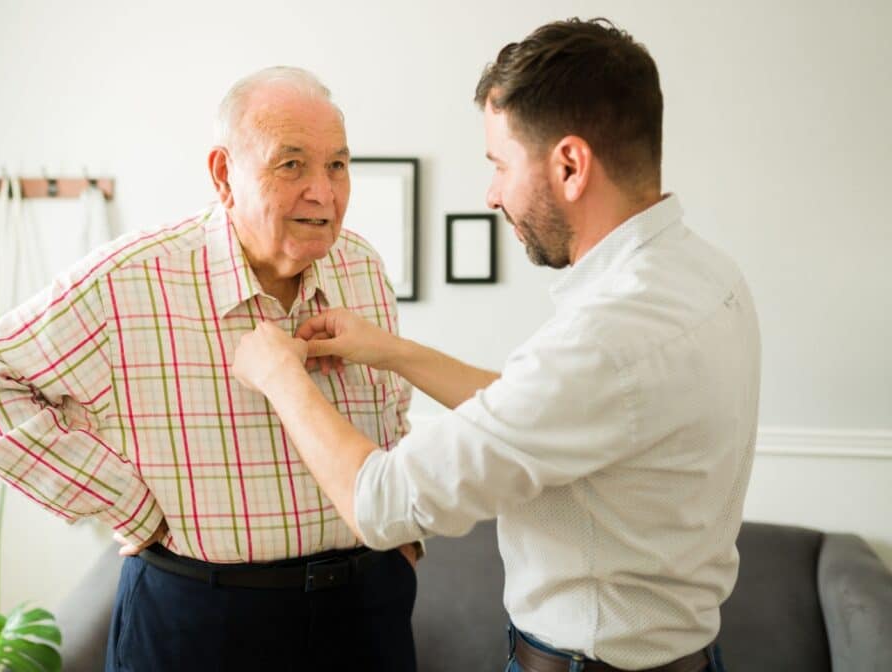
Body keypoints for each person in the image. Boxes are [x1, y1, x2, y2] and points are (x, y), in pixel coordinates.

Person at [232, 18, 760, 672]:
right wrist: (391, 350)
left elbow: (382, 503)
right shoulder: (705, 276)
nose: (492, 195)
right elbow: (549, 412)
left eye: (499, 165)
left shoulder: (606, 337)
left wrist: (281, 376)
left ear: (569, 164)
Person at [0, 66, 421, 671]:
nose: (324, 191)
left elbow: (392, 412)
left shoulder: (362, 266)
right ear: (223, 174)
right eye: (291, 165)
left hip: (365, 611)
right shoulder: (129, 280)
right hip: (202, 622)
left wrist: (406, 544)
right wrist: (129, 503)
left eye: (337, 165)